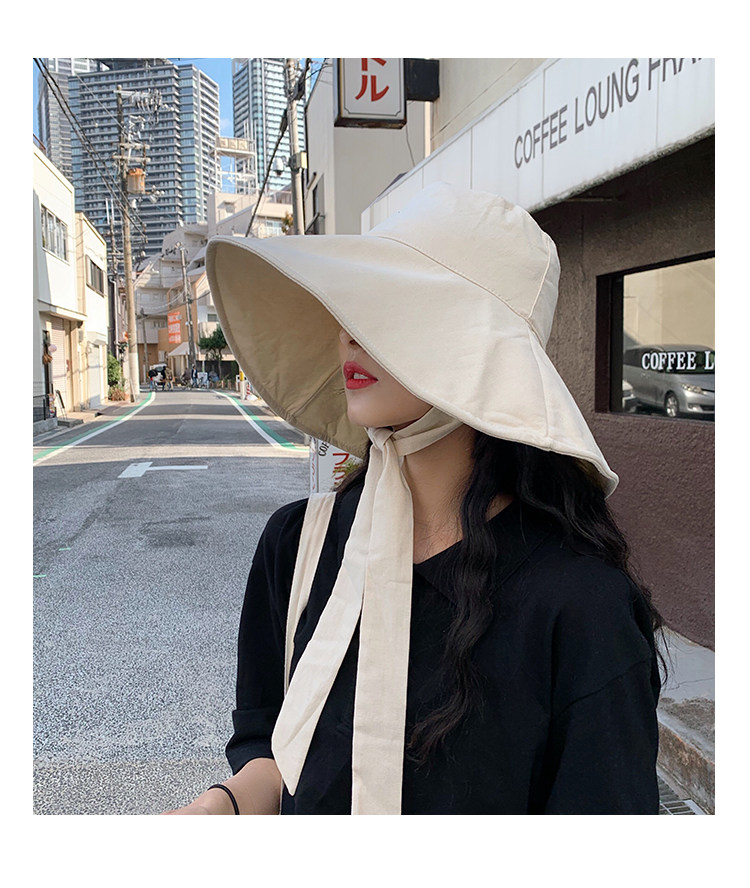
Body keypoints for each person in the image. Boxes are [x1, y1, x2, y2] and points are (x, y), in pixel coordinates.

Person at [164, 183, 665, 816]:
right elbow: (272, 753)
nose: (349, 332)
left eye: (391, 307)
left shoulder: (581, 607)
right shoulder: (297, 546)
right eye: (354, 303)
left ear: (479, 353)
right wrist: (221, 807)